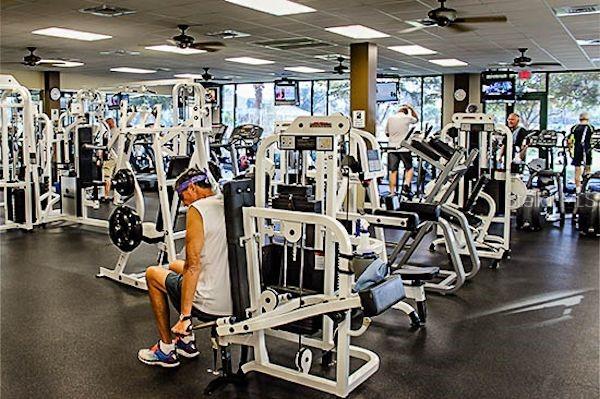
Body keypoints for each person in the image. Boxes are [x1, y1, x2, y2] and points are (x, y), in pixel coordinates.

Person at [138, 167, 232, 368]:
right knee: (173, 265)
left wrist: (185, 317)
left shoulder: (197, 210)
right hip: (235, 295)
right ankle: (186, 343)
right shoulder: (228, 201)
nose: (183, 202)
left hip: (211, 300)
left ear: (192, 188)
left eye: (182, 195)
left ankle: (166, 349)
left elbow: (192, 267)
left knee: (152, 274)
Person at [386, 104, 418, 197]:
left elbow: (387, 133)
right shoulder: (407, 118)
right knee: (409, 168)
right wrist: (411, 108)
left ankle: (392, 193)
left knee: (393, 171)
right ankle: (406, 185)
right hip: (404, 148)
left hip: (392, 148)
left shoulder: (390, 118)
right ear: (406, 111)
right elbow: (416, 119)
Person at [569, 112, 595, 192]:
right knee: (587, 168)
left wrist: (570, 150)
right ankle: (585, 186)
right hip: (587, 149)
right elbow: (593, 140)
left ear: (579, 119)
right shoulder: (591, 128)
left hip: (577, 149)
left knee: (577, 169)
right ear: (588, 119)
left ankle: (578, 188)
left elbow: (570, 140)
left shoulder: (574, 127)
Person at [101, 118, 118, 200]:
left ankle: (106, 195)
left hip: (111, 157)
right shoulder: (118, 131)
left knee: (106, 176)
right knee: (115, 176)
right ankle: (117, 196)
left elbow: (107, 147)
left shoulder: (110, 133)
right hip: (118, 157)